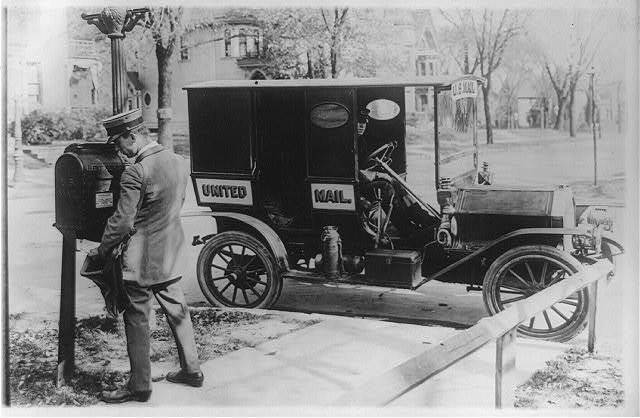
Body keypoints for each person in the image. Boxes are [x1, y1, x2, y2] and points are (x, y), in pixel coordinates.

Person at [88, 109, 203, 403]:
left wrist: (102, 250)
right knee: (178, 312)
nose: (119, 151)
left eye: (119, 144)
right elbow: (176, 204)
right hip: (171, 254)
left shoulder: (136, 171)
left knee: (137, 318)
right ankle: (192, 371)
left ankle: (139, 387)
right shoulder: (179, 162)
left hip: (140, 262)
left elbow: (122, 222)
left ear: (133, 136)